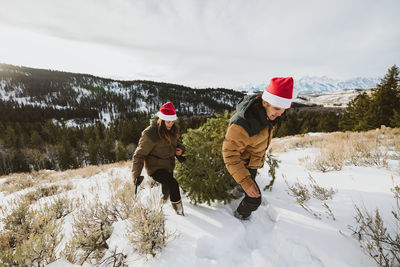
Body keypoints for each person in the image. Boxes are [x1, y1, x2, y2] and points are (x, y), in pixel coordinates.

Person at [222, 77, 294, 220]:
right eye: (277, 109)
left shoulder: (267, 115)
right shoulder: (242, 123)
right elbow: (230, 154)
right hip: (241, 164)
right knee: (254, 200)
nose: (280, 114)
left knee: (244, 186)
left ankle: (236, 192)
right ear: (264, 102)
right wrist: (246, 182)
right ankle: (239, 217)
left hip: (252, 163)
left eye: (283, 110)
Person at [132, 102, 185, 215]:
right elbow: (139, 155)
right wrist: (136, 175)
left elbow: (177, 143)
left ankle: (162, 208)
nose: (171, 124)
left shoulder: (172, 130)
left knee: (166, 191)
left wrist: (180, 149)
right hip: (155, 168)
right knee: (173, 184)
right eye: (168, 121)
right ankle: (180, 213)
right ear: (161, 119)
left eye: (172, 121)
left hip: (168, 166)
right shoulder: (150, 133)